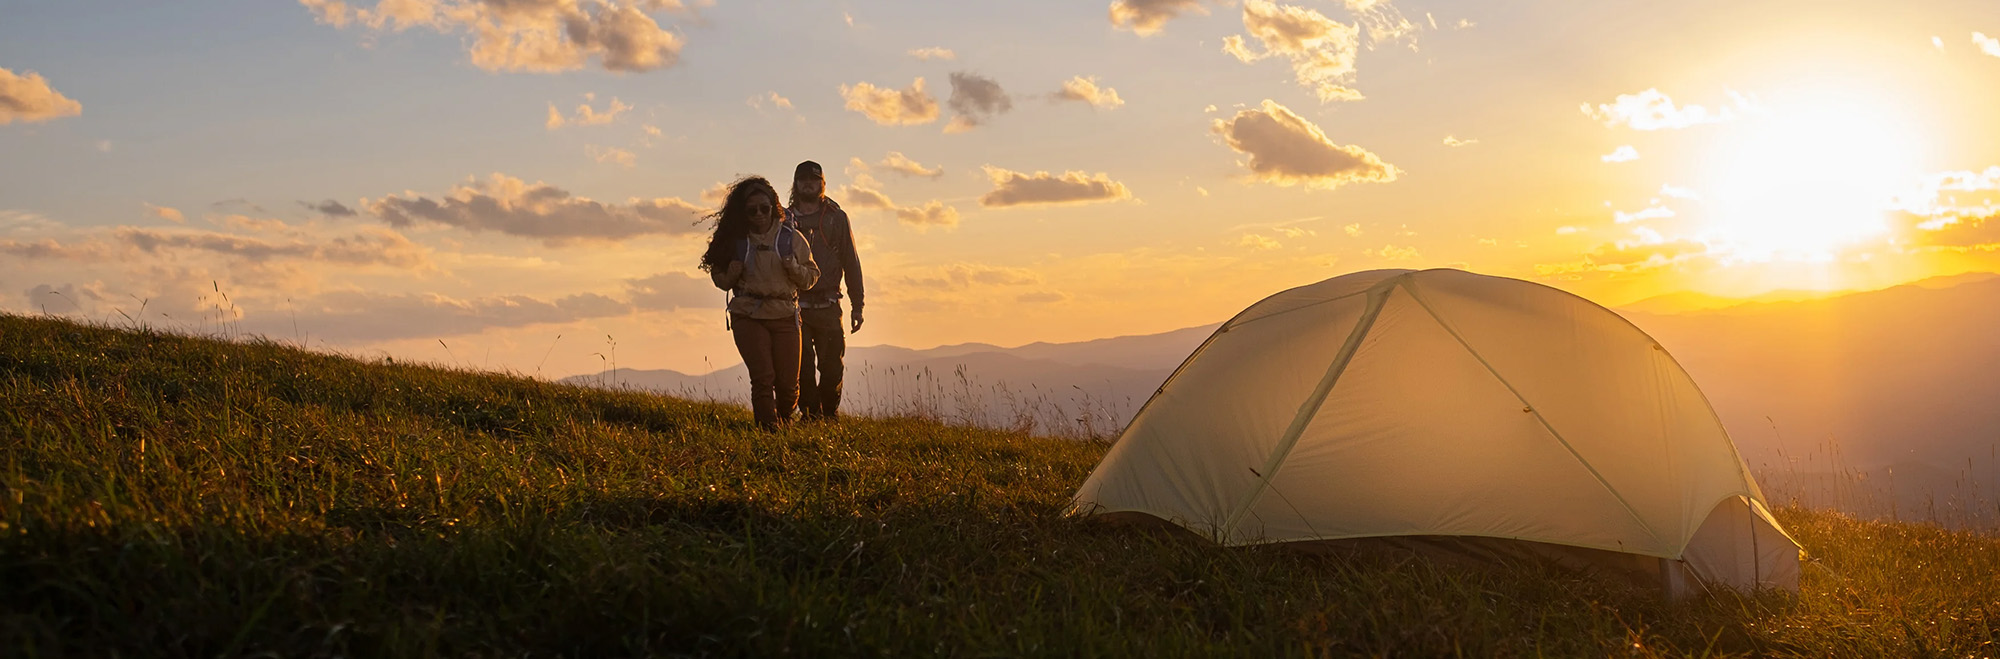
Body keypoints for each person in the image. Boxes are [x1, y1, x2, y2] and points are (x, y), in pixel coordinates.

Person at [701, 176, 819, 431]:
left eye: (764, 208)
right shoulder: (735, 241)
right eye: (751, 210)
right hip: (747, 314)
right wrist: (732, 273)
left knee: (789, 385)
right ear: (743, 213)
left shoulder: (792, 238)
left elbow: (810, 278)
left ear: (774, 207)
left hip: (785, 313)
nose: (758, 214)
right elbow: (720, 279)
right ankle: (768, 432)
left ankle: (783, 422)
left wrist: (793, 267)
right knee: (763, 378)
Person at [785, 160, 866, 421]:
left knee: (832, 368)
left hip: (829, 304)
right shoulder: (784, 219)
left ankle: (829, 415)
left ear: (822, 183)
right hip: (795, 304)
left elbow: (851, 262)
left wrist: (858, 304)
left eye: (814, 179)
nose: (808, 183)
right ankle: (811, 417)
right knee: (802, 369)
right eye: (803, 179)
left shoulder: (836, 218)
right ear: (796, 184)